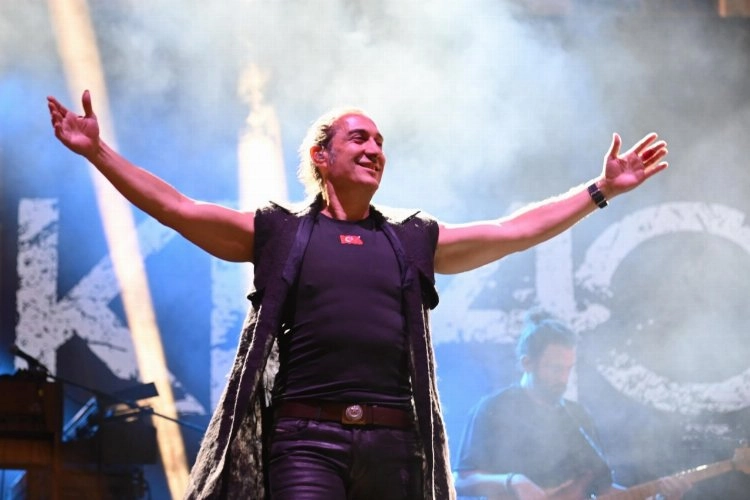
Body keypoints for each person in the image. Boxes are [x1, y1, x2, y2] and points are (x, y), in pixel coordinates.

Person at [47, 89, 669, 500]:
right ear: (321, 156)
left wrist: (599, 190)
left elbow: (511, 231)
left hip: (394, 441)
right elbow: (179, 208)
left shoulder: (411, 238)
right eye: (359, 139)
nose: (375, 149)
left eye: (379, 142)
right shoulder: (281, 231)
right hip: (304, 440)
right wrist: (98, 151)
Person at [454, 312, 692, 500]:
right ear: (527, 363)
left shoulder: (577, 416)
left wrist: (659, 496)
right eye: (555, 369)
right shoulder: (494, 408)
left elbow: (603, 490)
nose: (564, 378)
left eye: (569, 368)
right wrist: (513, 481)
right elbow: (460, 480)